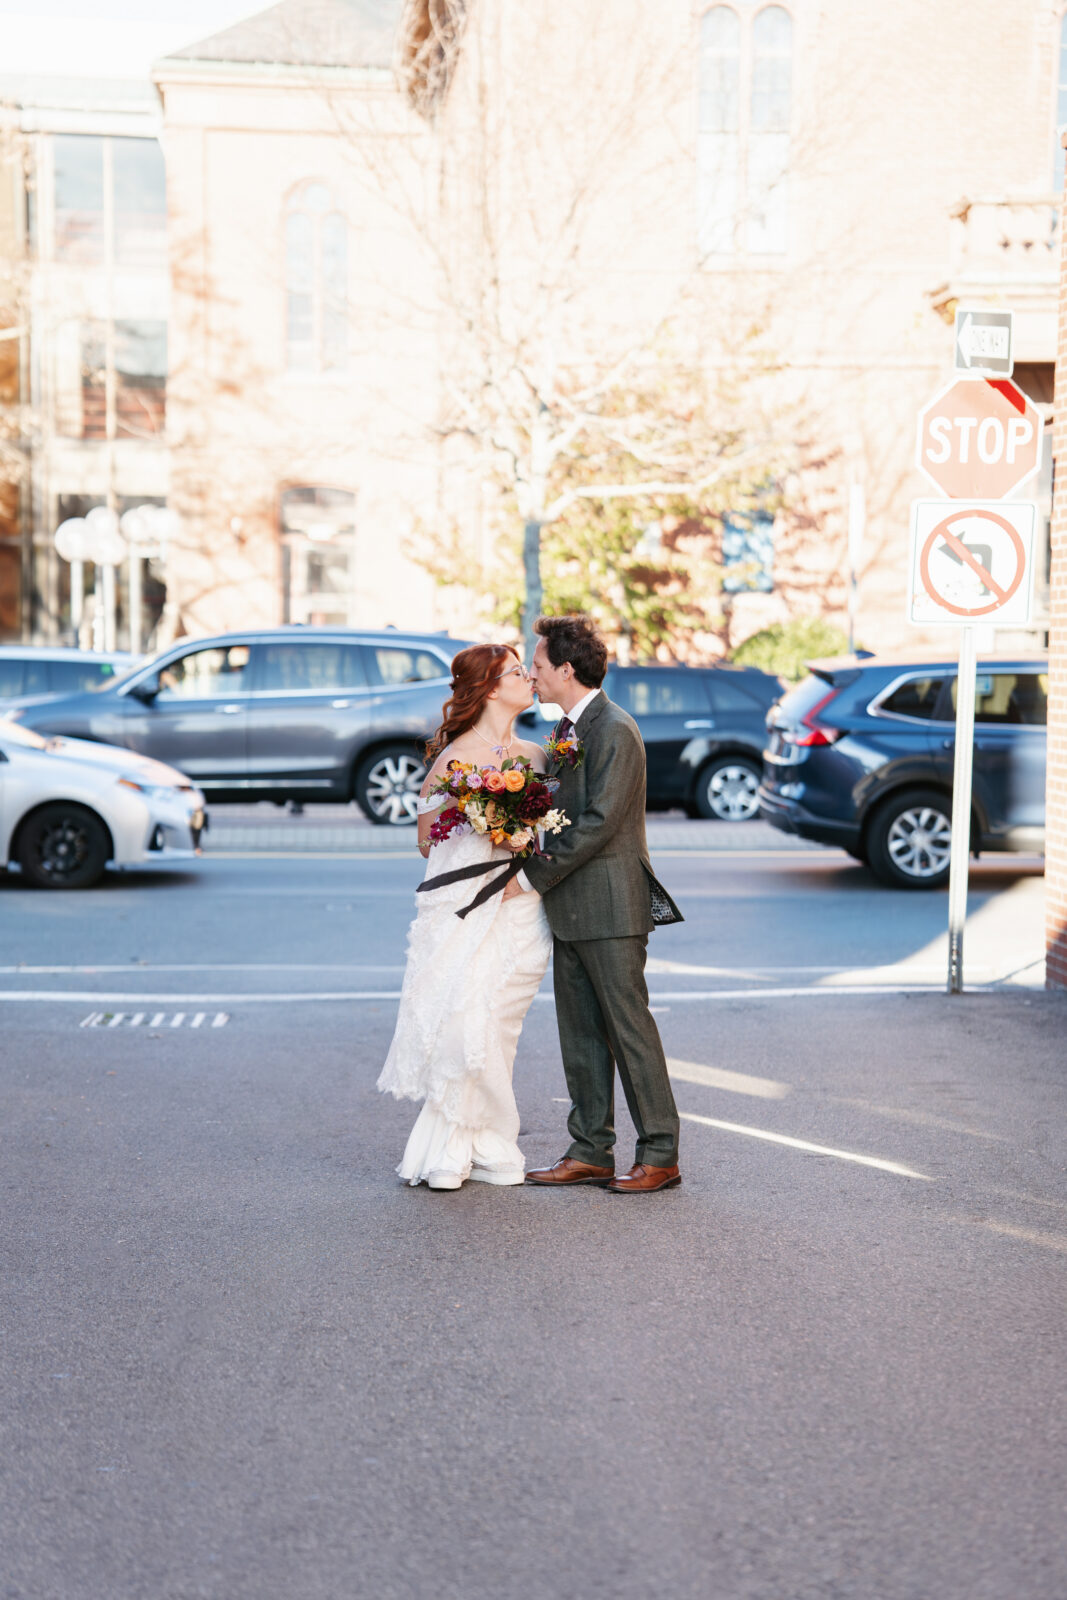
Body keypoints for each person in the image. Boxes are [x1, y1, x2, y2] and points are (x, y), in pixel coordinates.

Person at [504, 614, 684, 1194]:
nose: (532, 674)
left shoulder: (615, 729)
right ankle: (590, 1150)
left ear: (565, 669)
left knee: (629, 1033)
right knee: (579, 1035)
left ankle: (660, 1155)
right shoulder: (567, 729)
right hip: (571, 907)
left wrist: (533, 876)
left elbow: (601, 821)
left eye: (537, 665)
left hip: (609, 907)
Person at [377, 643, 552, 1190]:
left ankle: (491, 1140)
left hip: (522, 910)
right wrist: (481, 823)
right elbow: (426, 843)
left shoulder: (537, 756)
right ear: (492, 688)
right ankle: (453, 1145)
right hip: (468, 907)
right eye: (518, 672)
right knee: (463, 1023)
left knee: (500, 1025)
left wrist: (517, 834)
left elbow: (552, 836)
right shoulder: (454, 759)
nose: (529, 679)